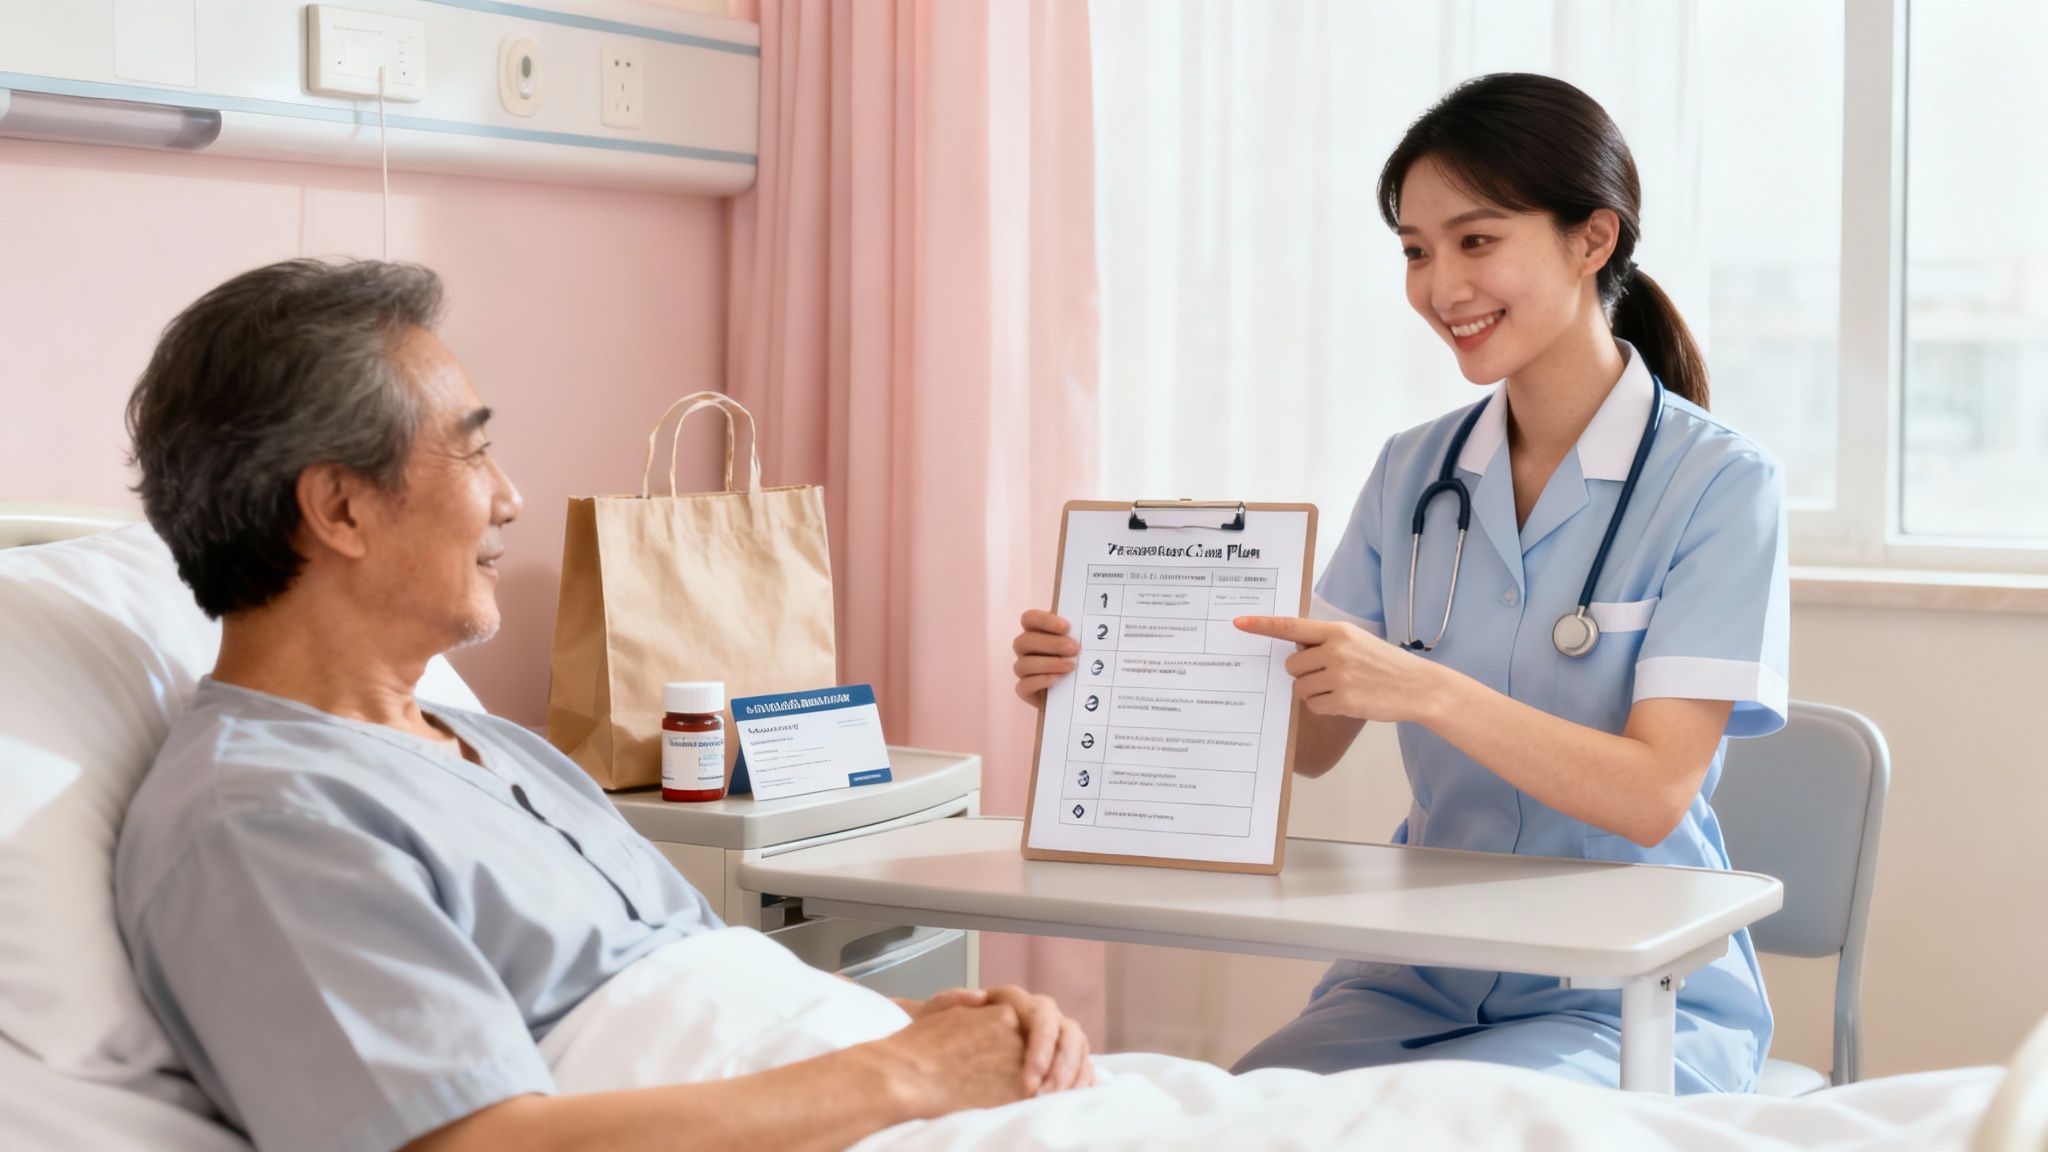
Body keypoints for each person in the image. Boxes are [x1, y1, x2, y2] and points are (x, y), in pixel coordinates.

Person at [115, 258, 1093, 1152]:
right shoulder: (259, 818)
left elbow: (694, 966)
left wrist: (927, 1027)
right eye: (472, 453)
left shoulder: (493, 748)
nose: (511, 497)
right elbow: (463, 1143)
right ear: (338, 508)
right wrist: (900, 1072)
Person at [1011, 73, 1786, 1094]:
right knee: (1231, 1119)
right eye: (1416, 253)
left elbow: (1649, 795)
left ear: (1590, 240)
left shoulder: (1718, 485)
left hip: (1620, 986)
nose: (1439, 287)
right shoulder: (1414, 472)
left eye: (1474, 241)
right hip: (1417, 973)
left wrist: (1422, 689)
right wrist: (1107, 674)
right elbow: (1316, 740)